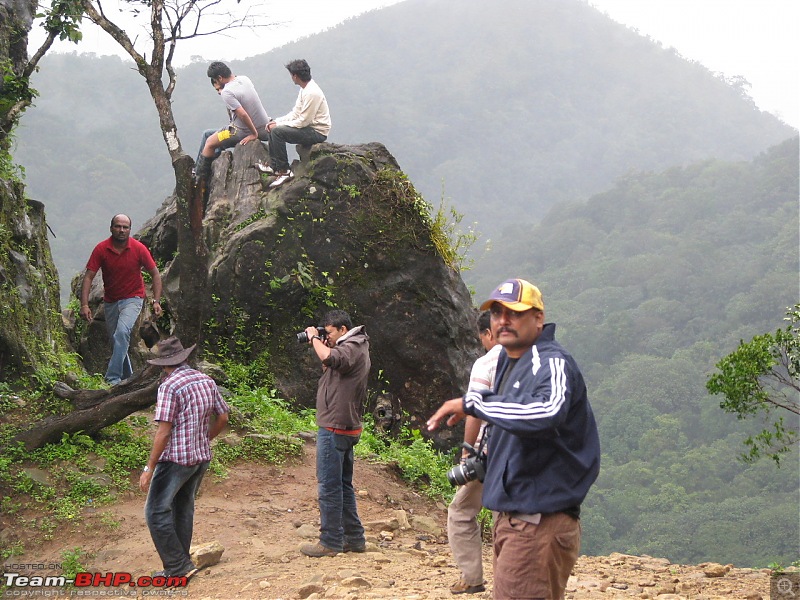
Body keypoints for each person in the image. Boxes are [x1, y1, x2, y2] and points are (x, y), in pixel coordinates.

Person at [428, 278, 601, 600]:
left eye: (514, 313)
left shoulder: (549, 361)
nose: (503, 320)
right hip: (516, 518)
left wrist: (472, 403)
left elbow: (548, 412)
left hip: (537, 522)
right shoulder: (512, 362)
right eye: (496, 313)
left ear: (538, 318)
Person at [140, 337, 230, 580]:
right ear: (185, 358)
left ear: (163, 365)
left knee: (156, 512)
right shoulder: (205, 380)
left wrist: (149, 467)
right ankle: (181, 564)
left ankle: (177, 566)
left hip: (175, 460)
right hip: (200, 458)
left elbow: (164, 431)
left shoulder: (170, 386)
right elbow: (223, 417)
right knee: (183, 507)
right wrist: (205, 438)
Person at [299, 309, 370, 558]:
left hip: (335, 427)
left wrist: (313, 338)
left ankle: (330, 541)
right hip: (345, 425)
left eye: (327, 332)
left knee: (329, 486)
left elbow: (330, 357)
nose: (325, 337)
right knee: (343, 485)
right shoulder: (355, 346)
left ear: (342, 329)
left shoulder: (351, 346)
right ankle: (354, 538)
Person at [448, 310, 501, 595]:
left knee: (461, 510)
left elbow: (474, 411)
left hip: (488, 452)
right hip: (518, 452)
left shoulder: (487, 362)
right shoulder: (530, 358)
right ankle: (508, 581)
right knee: (504, 515)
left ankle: (471, 577)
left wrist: (467, 452)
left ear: (488, 334)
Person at [80, 214, 163, 385]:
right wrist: (84, 304)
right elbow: (88, 277)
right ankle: (129, 379)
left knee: (122, 333)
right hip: (111, 300)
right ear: (111, 228)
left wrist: (156, 300)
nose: (121, 230)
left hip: (133, 298)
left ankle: (112, 378)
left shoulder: (138, 248)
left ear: (130, 230)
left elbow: (155, 274)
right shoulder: (101, 249)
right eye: (118, 226)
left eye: (125, 227)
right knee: (118, 339)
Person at [194, 61, 271, 181]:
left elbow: (243, 115)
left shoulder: (227, 92)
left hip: (240, 131)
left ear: (219, 78)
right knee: (209, 134)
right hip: (264, 125)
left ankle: (199, 179)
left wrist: (253, 133)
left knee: (209, 142)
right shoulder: (245, 79)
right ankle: (202, 169)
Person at [262, 59, 331, 189]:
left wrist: (278, 126)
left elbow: (304, 121)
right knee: (273, 128)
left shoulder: (312, 93)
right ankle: (275, 167)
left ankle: (284, 171)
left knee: (277, 132)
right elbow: (295, 113)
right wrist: (276, 122)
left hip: (317, 131)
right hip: (308, 127)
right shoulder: (304, 89)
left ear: (295, 76)